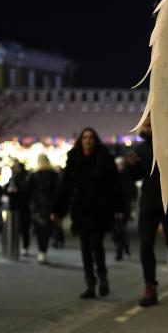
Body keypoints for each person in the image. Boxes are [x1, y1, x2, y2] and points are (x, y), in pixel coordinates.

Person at [52, 128, 124, 299]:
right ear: (81, 140)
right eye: (85, 137)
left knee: (96, 244)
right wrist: (58, 211)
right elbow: (65, 187)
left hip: (100, 208)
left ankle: (103, 277)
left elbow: (115, 186)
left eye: (91, 137)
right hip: (81, 209)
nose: (88, 140)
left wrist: (119, 208)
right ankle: (90, 282)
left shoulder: (104, 158)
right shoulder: (74, 159)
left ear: (95, 140)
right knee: (85, 247)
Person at [126, 118, 168, 307]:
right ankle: (150, 287)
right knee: (145, 245)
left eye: (150, 124)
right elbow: (135, 176)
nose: (147, 128)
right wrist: (132, 166)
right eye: (145, 125)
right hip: (148, 202)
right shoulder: (140, 148)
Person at [28, 154, 60, 264]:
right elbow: (58, 191)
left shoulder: (34, 175)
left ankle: (41, 251)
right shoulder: (54, 175)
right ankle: (43, 251)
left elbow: (29, 192)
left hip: (37, 206)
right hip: (50, 206)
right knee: (46, 229)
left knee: (40, 229)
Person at [113, 155, 136, 261]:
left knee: (121, 230)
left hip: (124, 208)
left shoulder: (127, 177)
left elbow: (131, 192)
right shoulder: (113, 177)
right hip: (115, 208)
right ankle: (123, 248)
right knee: (118, 230)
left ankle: (122, 249)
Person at [5, 161, 32, 256]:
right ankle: (13, 246)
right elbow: (6, 189)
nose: (15, 169)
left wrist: (18, 190)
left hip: (23, 206)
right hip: (13, 206)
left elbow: (27, 191)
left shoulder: (26, 177)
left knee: (24, 228)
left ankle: (25, 246)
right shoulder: (13, 178)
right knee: (14, 228)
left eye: (16, 167)